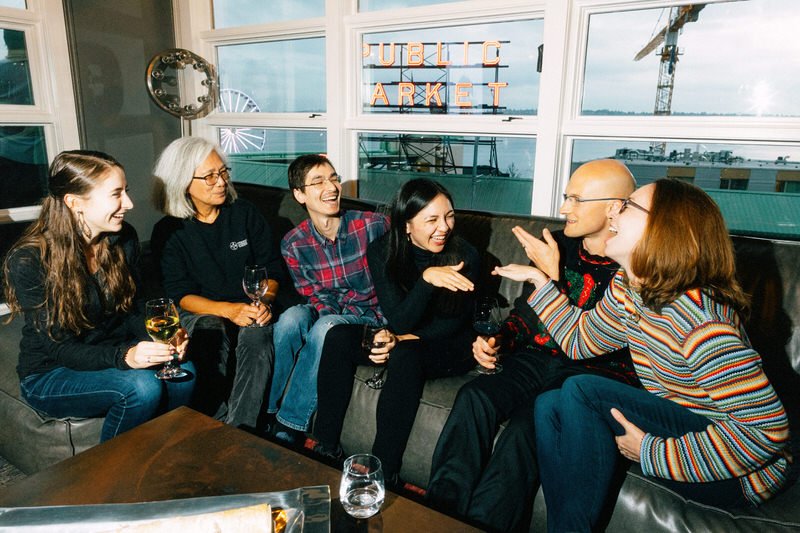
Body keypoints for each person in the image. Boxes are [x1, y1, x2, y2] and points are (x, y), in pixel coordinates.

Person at [505, 178, 791, 532]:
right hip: (683, 431)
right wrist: (541, 281)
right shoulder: (629, 289)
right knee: (549, 404)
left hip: (739, 474)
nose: (613, 211)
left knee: (583, 390)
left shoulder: (700, 323)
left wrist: (651, 452)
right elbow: (581, 341)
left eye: (626, 206)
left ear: (665, 230)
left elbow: (767, 433)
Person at [426, 159, 640, 531]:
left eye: (576, 199)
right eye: (566, 197)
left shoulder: (632, 262)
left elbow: (590, 339)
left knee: (526, 428)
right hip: (536, 357)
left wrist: (553, 278)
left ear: (614, 207)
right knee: (474, 397)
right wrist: (500, 340)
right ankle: (438, 515)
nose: (564, 208)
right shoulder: (555, 243)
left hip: (591, 373)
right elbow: (528, 313)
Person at [3, 150, 195, 443]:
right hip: (51, 371)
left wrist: (164, 340)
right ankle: (112, 470)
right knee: (141, 388)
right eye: (116, 194)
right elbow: (60, 348)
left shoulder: (123, 238)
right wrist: (125, 356)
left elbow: (133, 309)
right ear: (74, 202)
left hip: (109, 349)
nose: (128, 203)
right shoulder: (29, 260)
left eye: (126, 191)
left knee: (185, 373)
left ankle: (163, 453)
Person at [315, 178, 480, 484]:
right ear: (406, 225)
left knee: (405, 354)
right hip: (404, 334)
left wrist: (401, 336)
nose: (444, 227)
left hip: (452, 344)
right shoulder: (382, 250)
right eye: (431, 220)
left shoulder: (465, 255)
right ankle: (325, 447)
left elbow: (452, 324)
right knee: (338, 337)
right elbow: (399, 319)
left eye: (449, 216)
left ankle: (383, 469)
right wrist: (426, 282)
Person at [150, 137, 283, 431]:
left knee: (257, 331)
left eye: (223, 172)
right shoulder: (169, 231)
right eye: (209, 176)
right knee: (212, 327)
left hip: (249, 307)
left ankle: (240, 430)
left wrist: (264, 301)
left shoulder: (244, 213)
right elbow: (180, 294)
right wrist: (229, 310)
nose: (221, 182)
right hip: (201, 312)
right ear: (183, 181)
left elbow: (272, 268)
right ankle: (212, 420)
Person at [268, 154, 389, 444]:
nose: (332, 187)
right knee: (290, 319)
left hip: (369, 317)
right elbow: (314, 295)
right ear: (299, 194)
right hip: (329, 311)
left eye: (334, 178)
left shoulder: (373, 225)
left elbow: (416, 232)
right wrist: (323, 318)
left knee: (326, 327)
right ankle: (267, 410)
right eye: (318, 181)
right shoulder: (293, 244)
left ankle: (289, 425)